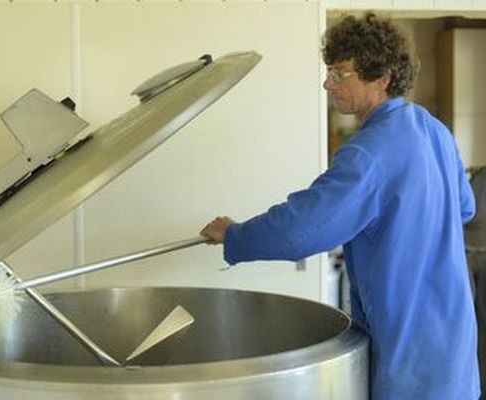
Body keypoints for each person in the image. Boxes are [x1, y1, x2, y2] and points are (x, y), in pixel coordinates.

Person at [200, 13, 480, 400]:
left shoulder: (369, 153)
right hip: (455, 346)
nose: (327, 83)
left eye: (340, 73)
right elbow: (464, 208)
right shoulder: (434, 130)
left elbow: (302, 229)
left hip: (408, 355)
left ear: (381, 79)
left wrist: (235, 234)